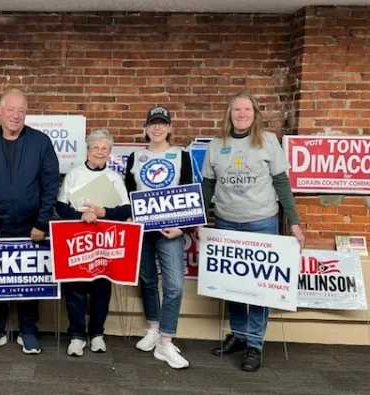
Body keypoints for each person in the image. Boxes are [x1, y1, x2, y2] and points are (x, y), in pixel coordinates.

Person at [201, 92, 305, 372]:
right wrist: (198, 220)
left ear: (255, 113)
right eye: (237, 109)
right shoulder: (216, 145)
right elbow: (207, 187)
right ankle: (238, 333)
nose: (242, 114)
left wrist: (294, 222)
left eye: (247, 109)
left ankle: (254, 344)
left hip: (261, 222)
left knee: (260, 287)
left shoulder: (268, 141)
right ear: (229, 114)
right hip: (226, 222)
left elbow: (282, 184)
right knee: (233, 284)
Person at [0, 88, 59, 355]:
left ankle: (28, 331)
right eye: (11, 109)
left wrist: (41, 222)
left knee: (30, 280)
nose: (16, 115)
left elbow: (51, 184)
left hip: (32, 226)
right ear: (0, 111)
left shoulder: (41, 142)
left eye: (21, 110)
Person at [125, 106, 193, 370]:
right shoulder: (135, 157)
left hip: (170, 230)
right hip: (143, 230)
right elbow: (128, 195)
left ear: (169, 128)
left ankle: (166, 341)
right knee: (148, 281)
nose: (157, 128)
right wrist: (129, 219)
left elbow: (190, 195)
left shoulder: (181, 156)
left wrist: (183, 228)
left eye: (162, 123)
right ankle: (153, 327)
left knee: (174, 285)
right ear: (145, 128)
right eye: (152, 123)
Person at [56, 129, 132, 357]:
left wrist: (103, 211)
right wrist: (80, 216)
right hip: (77, 238)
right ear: (87, 150)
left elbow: (126, 209)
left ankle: (97, 333)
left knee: (101, 287)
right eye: (95, 148)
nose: (99, 152)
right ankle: (77, 335)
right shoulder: (74, 174)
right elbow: (61, 207)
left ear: (109, 152)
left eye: (104, 149)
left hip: (104, 241)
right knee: (76, 288)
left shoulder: (114, 178)